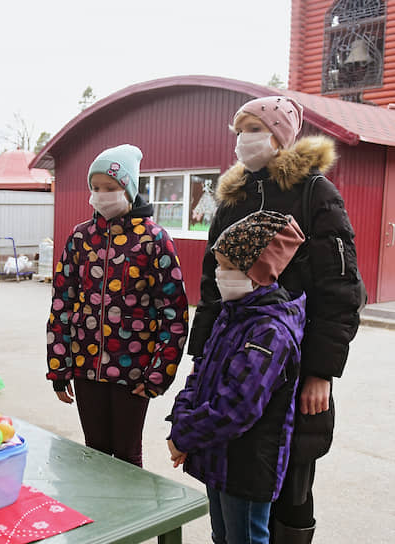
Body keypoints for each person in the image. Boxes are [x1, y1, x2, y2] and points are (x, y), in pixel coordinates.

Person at [187, 96, 365, 543]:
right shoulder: (232, 198)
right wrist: (202, 356)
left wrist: (321, 372)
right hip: (232, 357)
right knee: (230, 468)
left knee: (292, 479)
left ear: (279, 134)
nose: (244, 140)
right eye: (239, 130)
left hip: (293, 359)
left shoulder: (314, 192)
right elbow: (213, 284)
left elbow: (340, 288)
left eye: (253, 128)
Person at [45, 144, 188, 467]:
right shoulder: (80, 238)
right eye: (95, 188)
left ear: (129, 189)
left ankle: (134, 516)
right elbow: (62, 305)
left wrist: (157, 375)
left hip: (133, 373)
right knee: (94, 451)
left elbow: (174, 315)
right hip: (84, 367)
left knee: (126, 456)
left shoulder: (155, 240)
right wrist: (59, 367)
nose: (101, 195)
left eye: (110, 188)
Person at [168, 210, 306, 544]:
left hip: (246, 465)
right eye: (218, 265)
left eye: (228, 267)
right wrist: (180, 421)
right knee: (223, 535)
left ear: (258, 273)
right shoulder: (233, 314)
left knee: (244, 537)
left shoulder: (270, 331)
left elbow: (237, 407)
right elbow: (200, 372)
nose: (219, 275)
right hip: (217, 455)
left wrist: (185, 436)